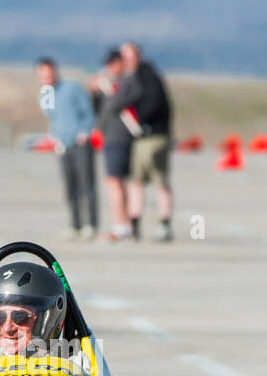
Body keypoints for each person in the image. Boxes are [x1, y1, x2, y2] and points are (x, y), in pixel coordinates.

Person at [0, 261, 87, 376]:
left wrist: (83, 330)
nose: (8, 328)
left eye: (20, 318)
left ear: (47, 320)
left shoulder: (73, 365)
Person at [105, 42, 173, 242]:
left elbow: (154, 103)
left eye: (129, 57)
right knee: (138, 181)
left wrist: (138, 121)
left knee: (155, 181)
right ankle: (135, 224)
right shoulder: (140, 76)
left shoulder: (146, 75)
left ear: (138, 56)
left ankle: (163, 223)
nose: (125, 61)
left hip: (152, 136)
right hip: (145, 137)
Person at [35, 57, 98, 240]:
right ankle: (75, 224)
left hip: (80, 143)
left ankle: (90, 224)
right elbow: (52, 119)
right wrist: (53, 138)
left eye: (48, 72)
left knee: (86, 184)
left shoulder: (72, 87)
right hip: (62, 145)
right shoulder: (45, 95)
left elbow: (87, 112)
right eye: (42, 73)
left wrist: (85, 131)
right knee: (70, 186)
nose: (46, 76)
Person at [89, 48, 136, 242]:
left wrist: (104, 87)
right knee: (117, 181)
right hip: (112, 136)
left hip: (118, 136)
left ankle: (121, 225)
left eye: (112, 64)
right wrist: (94, 92)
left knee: (114, 181)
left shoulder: (126, 81)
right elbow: (98, 109)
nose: (109, 68)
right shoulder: (114, 83)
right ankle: (124, 224)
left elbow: (112, 106)